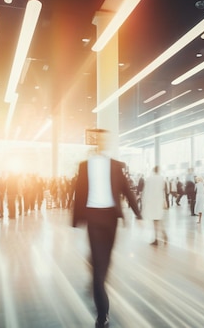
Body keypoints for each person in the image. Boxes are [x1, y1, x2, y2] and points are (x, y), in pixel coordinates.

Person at [71, 129, 142, 328]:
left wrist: (138, 213)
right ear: (95, 142)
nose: (103, 141)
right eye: (100, 138)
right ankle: (102, 314)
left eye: (105, 138)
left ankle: (97, 272)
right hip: (93, 217)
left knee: (105, 262)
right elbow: (79, 191)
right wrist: (75, 220)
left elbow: (127, 189)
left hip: (111, 218)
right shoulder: (84, 166)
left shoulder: (116, 166)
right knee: (100, 269)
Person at [142, 166, 168, 245]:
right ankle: (163, 235)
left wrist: (144, 202)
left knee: (155, 220)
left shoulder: (150, 179)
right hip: (158, 201)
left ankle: (157, 238)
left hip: (152, 202)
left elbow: (146, 191)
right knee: (158, 219)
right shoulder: (161, 179)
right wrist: (164, 201)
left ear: (153, 170)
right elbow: (163, 190)